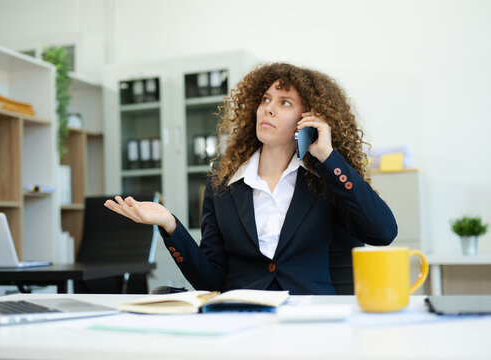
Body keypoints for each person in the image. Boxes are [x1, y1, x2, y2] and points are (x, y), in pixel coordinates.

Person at [105, 63, 397, 295]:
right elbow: (210, 280)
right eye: (266, 99)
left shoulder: (325, 179)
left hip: (310, 317)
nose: (268, 108)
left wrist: (328, 157)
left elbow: (382, 233)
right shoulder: (223, 184)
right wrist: (170, 225)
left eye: (285, 103)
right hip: (243, 315)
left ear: (308, 119)